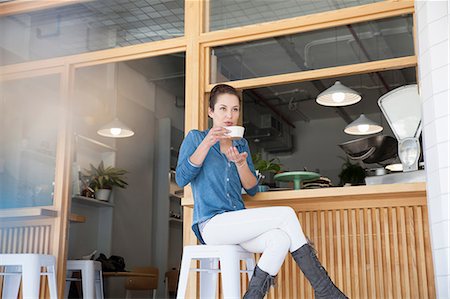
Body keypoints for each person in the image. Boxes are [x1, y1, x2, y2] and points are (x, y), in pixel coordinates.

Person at [176, 84, 347, 299]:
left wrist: (239, 163)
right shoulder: (196, 138)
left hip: (236, 222)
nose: (230, 115)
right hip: (212, 224)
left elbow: (251, 189)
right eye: (223, 109)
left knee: (280, 239)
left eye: (235, 109)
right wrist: (207, 143)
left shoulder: (241, 144)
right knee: (285, 214)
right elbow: (182, 178)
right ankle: (326, 291)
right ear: (211, 112)